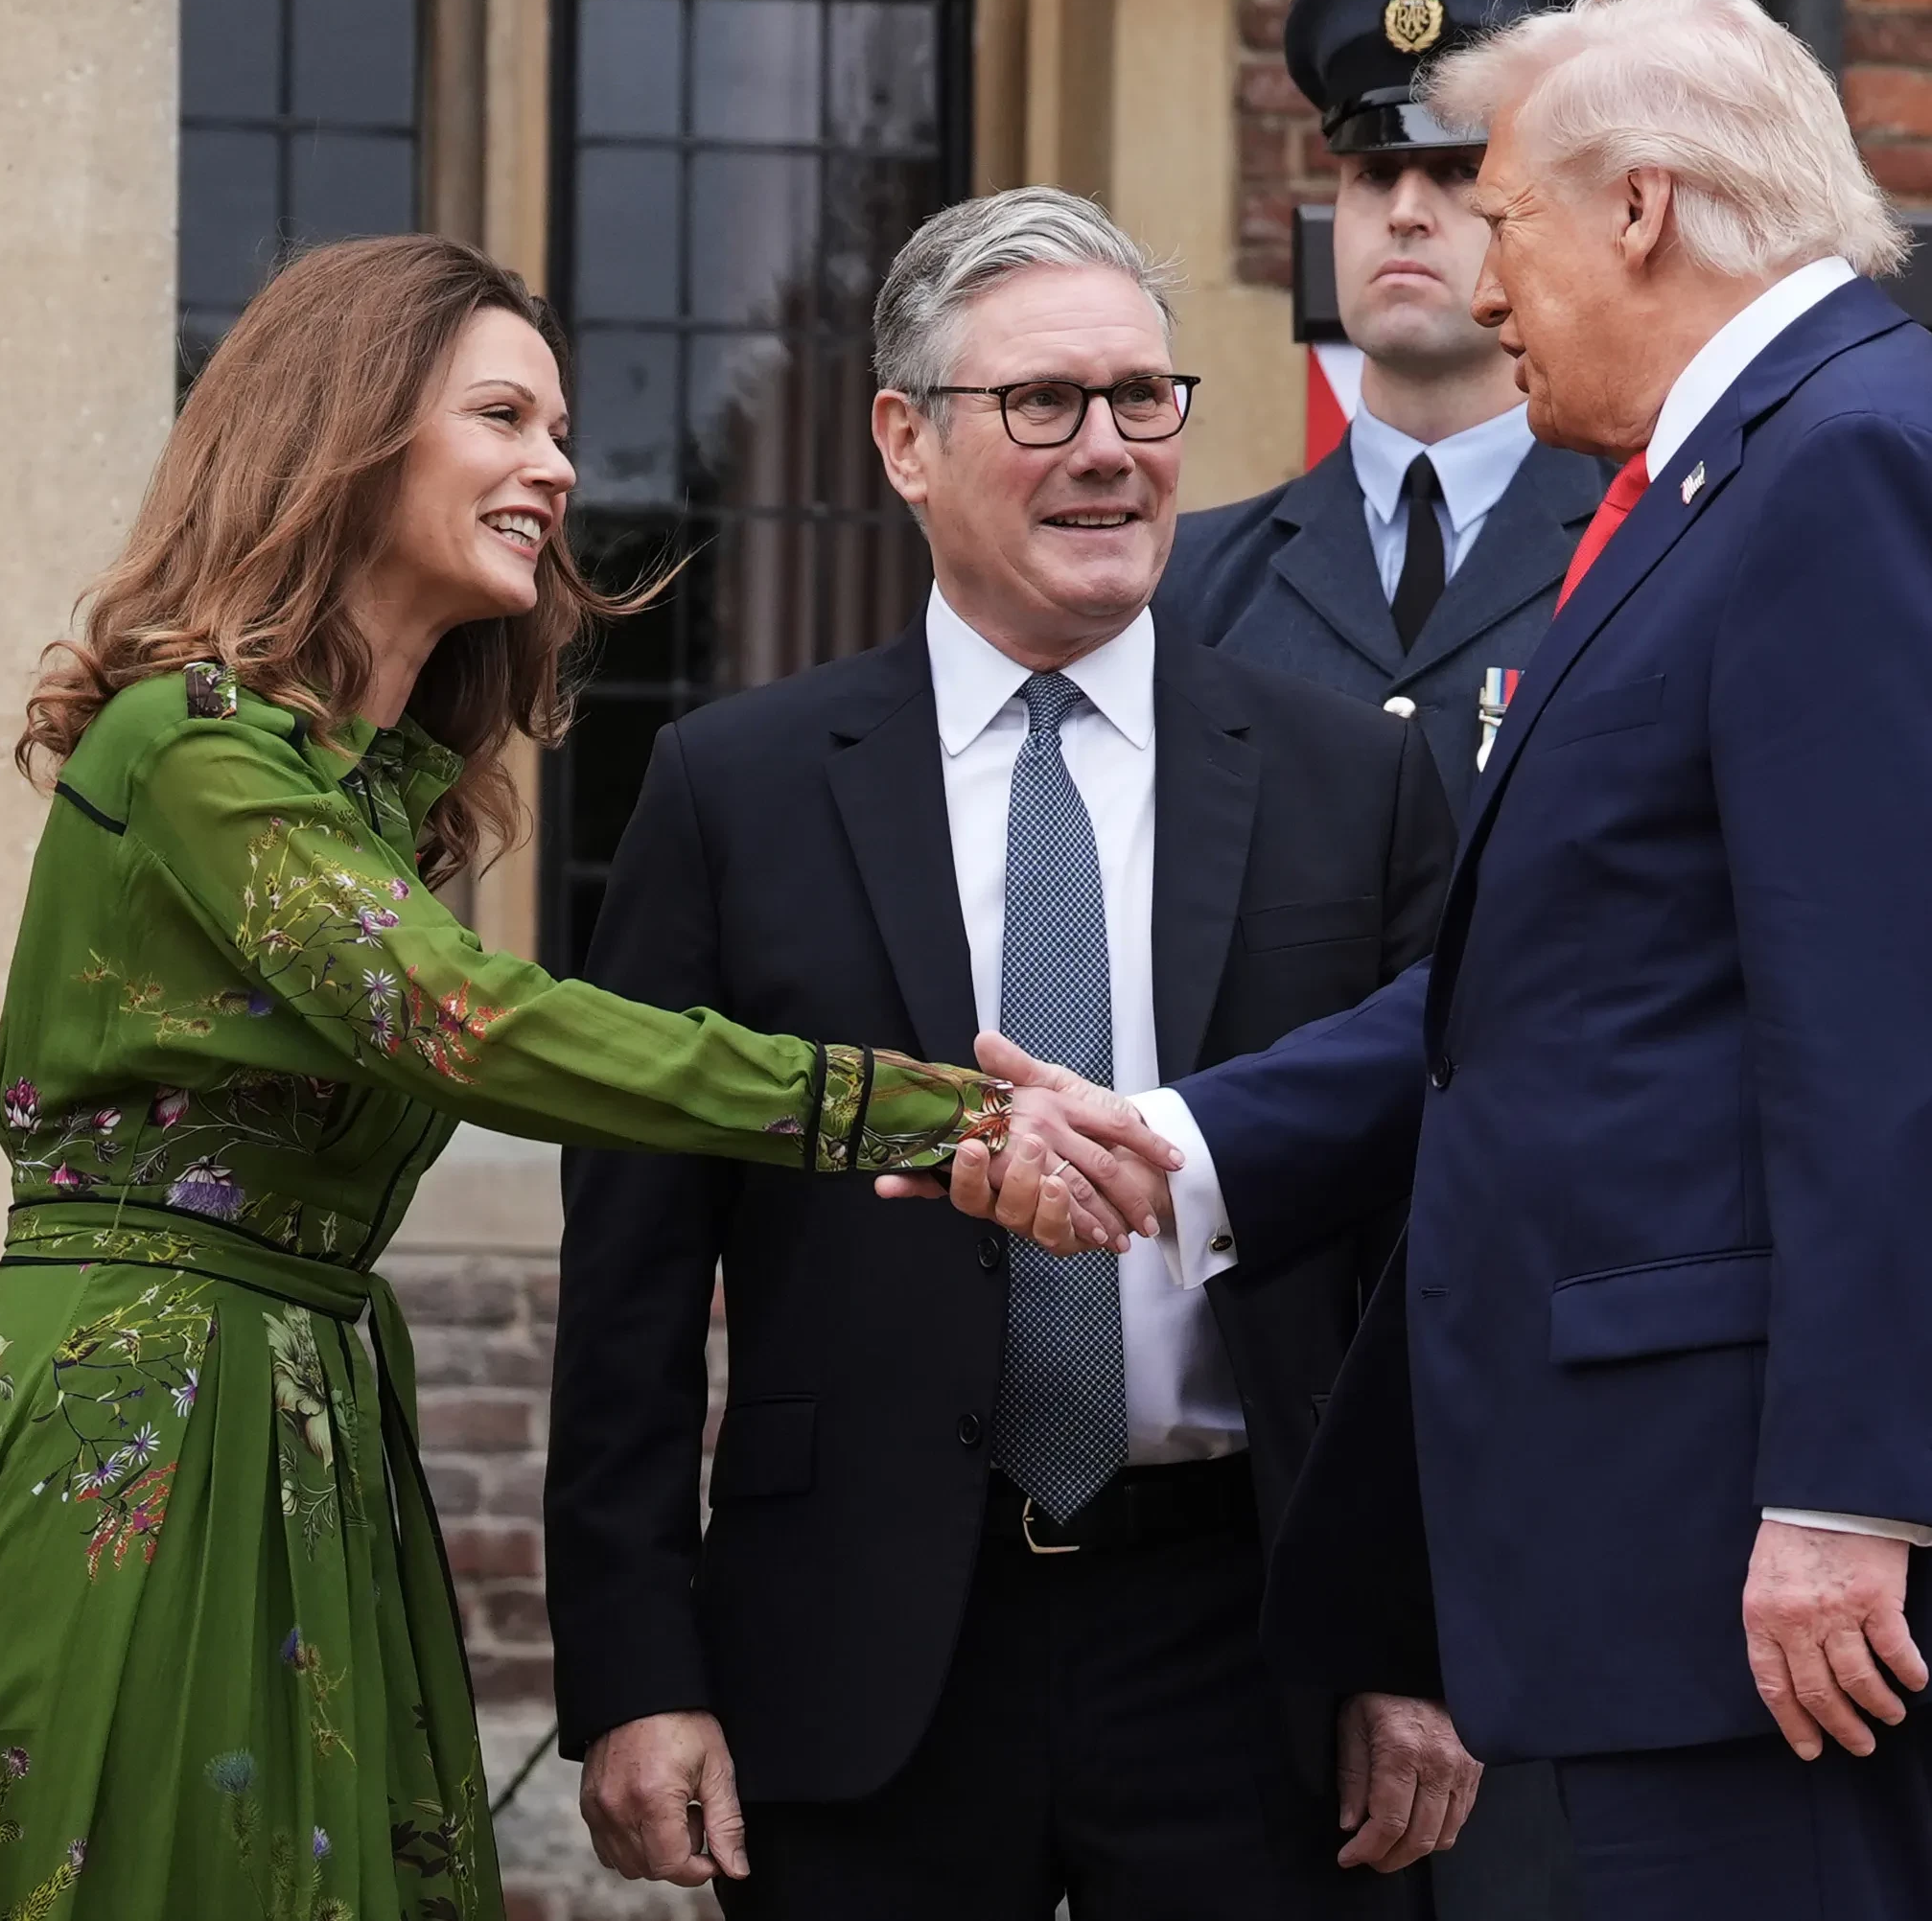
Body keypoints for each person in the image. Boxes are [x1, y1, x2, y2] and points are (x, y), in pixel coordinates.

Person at [926, 0, 1932, 1920]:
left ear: (1639, 208)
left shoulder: (1848, 465)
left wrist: (1848, 1491)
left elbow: (1892, 1034)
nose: (1476, 281)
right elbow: (1560, 988)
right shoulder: (1747, 474)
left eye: (1504, 218)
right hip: (1671, 1546)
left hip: (1776, 1563)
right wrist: (1184, 1149)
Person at [0, 234, 1166, 1921]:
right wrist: (935, 1106)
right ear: (347, 437)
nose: (556, 468)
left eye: (560, 428)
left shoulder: (359, 790)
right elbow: (473, 1027)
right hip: (142, 1414)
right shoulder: (185, 743)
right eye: (501, 417)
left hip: (304, 1405)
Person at [547, 188, 1476, 1921]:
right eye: (1042, 401)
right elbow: (631, 1281)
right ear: (905, 440)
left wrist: (1409, 1643)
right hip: (856, 1643)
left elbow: (1435, 1244)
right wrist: (634, 1668)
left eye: (1141, 397)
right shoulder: (735, 792)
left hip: (1250, 1650)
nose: (1108, 448)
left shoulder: (1352, 780)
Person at [1158, 0, 1611, 806]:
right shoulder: (1195, 583)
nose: (1404, 210)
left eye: (1459, 171)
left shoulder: (1643, 549)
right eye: (1372, 172)